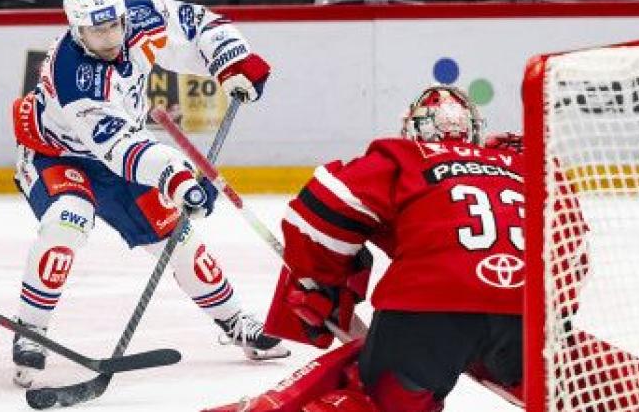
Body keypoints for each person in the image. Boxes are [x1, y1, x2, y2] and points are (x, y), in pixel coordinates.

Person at [11, 0, 289, 388]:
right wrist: (177, 178)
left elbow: (199, 25)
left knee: (177, 236)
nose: (110, 37)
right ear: (76, 29)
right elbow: (121, 148)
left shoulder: (141, 17)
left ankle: (235, 323)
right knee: (68, 221)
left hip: (123, 156)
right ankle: (31, 329)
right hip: (57, 155)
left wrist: (231, 61)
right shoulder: (74, 76)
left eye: (114, 24)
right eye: (97, 30)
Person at [203, 85, 526, 411]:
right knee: (570, 386)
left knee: (376, 398)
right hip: (528, 311)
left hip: (428, 311)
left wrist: (318, 285)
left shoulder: (408, 157)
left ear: (414, 129)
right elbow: (571, 248)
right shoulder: (522, 165)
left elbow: (319, 211)